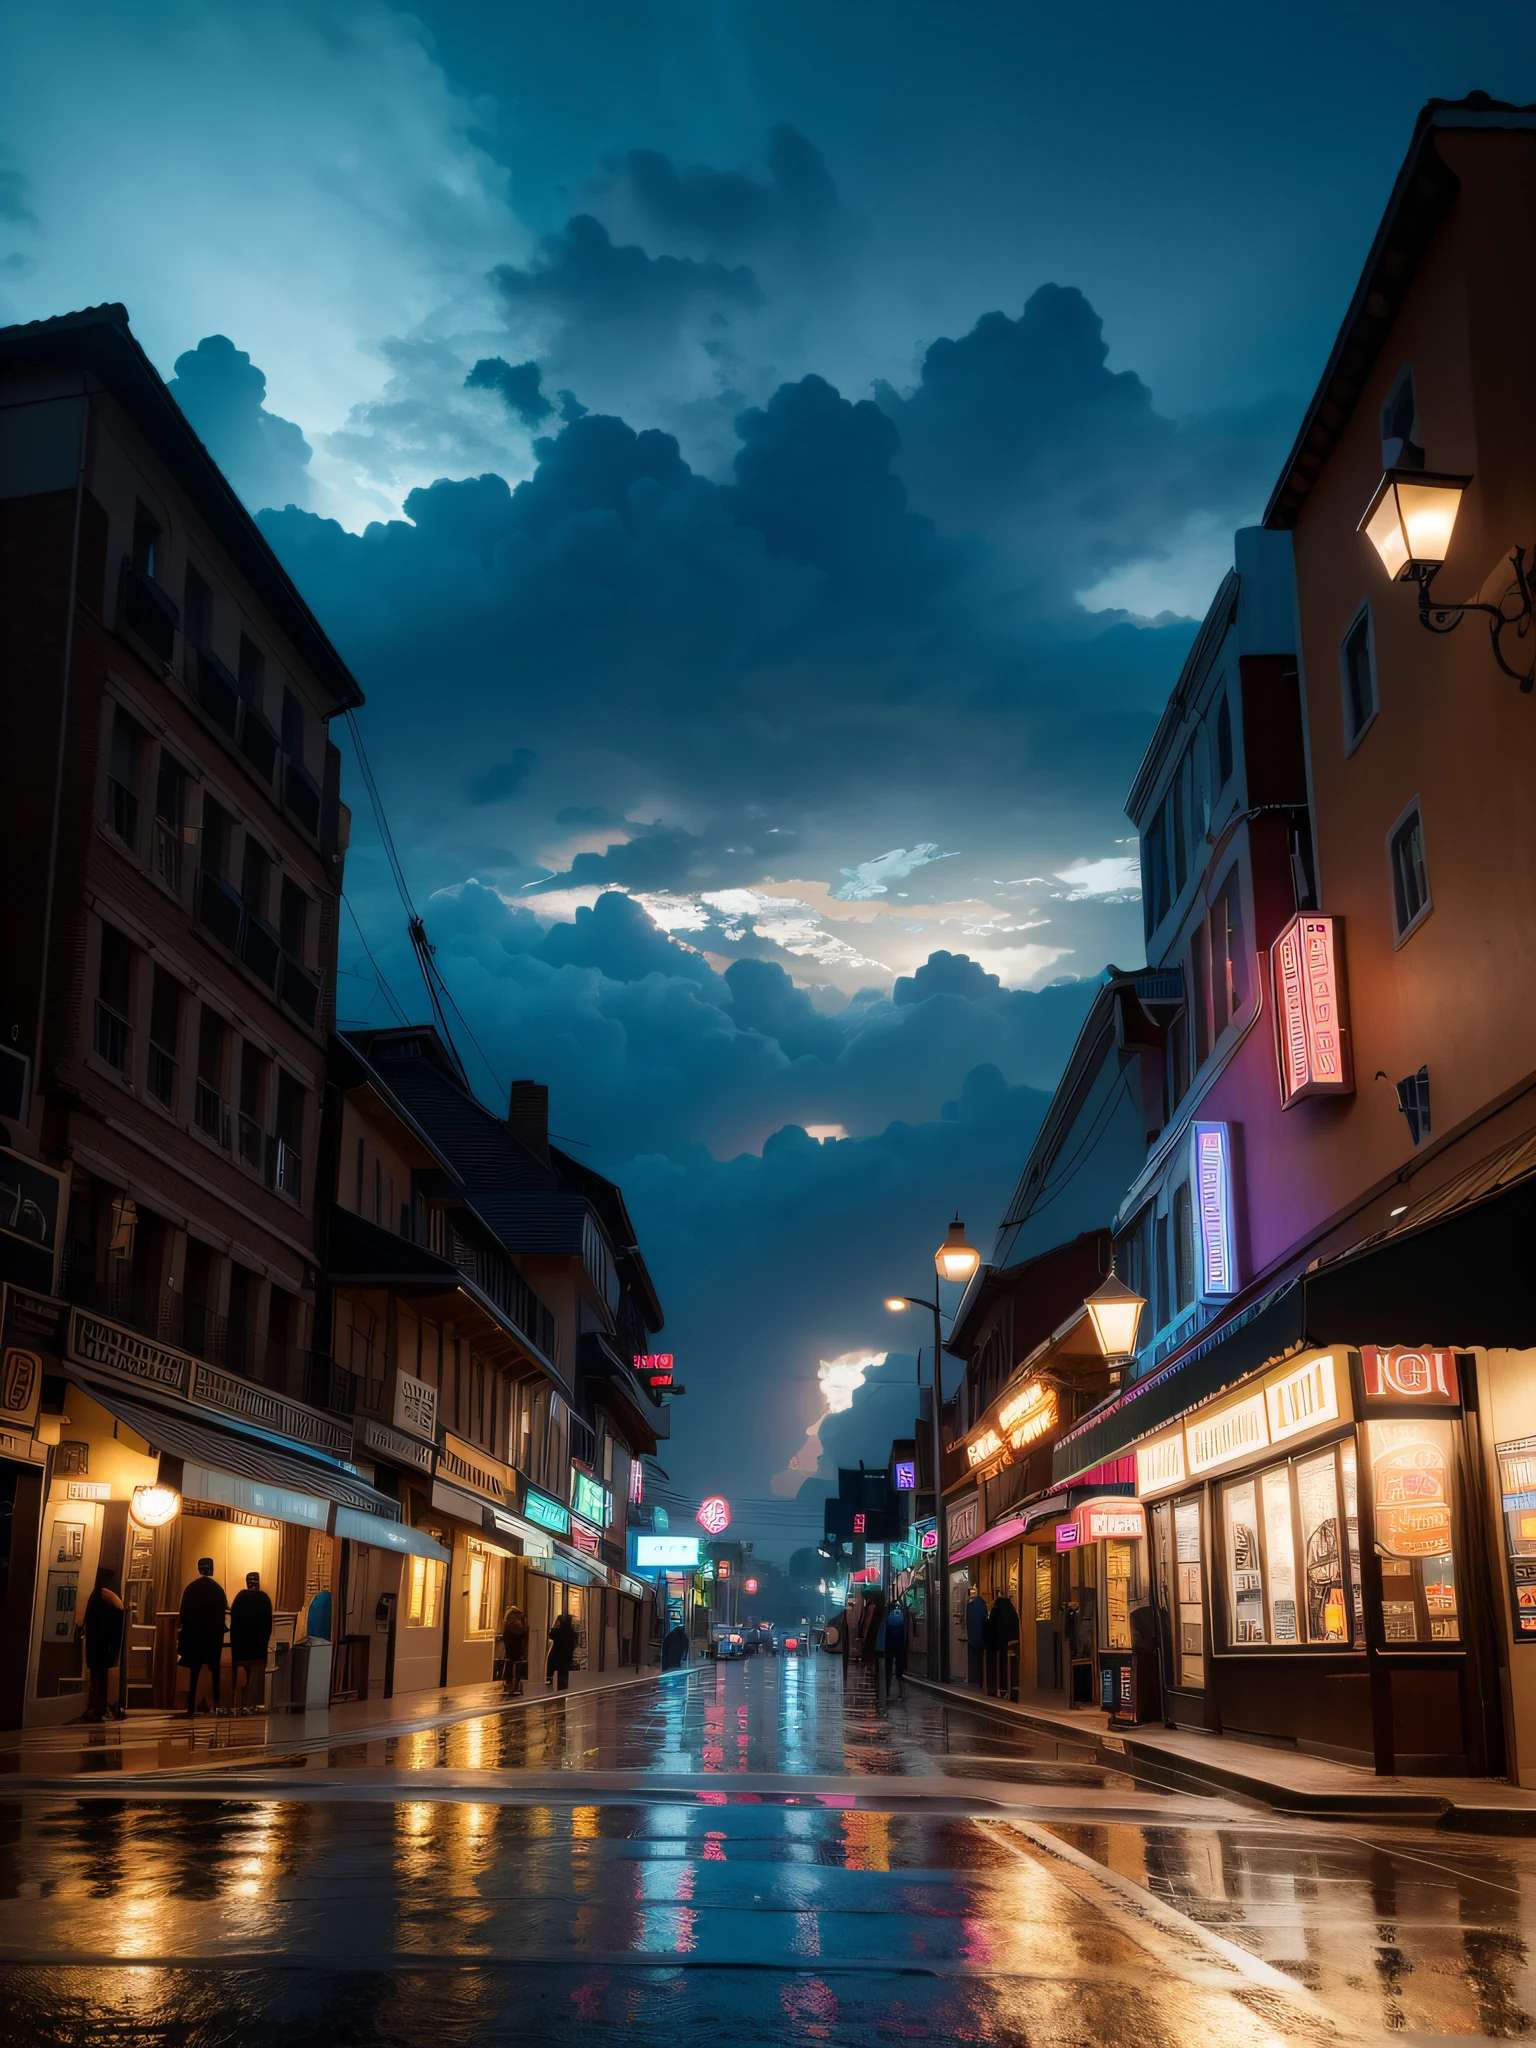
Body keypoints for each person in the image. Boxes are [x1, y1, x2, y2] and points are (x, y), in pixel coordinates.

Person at [178, 1558, 229, 1717]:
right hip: (213, 1638)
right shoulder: (218, 1590)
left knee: (194, 1673)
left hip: (194, 1638)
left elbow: (183, 1615)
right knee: (215, 1671)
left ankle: (190, 1706)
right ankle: (216, 1703)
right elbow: (223, 1614)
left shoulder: (191, 1588)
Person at [77, 1566, 124, 1723]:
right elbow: (119, 1610)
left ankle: (96, 1706)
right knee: (101, 1675)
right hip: (104, 1643)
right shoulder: (106, 1595)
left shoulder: (96, 1594)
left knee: (96, 1675)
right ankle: (99, 1706)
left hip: (96, 1642)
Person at [229, 1571, 273, 1715]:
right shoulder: (264, 1599)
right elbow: (268, 1625)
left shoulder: (240, 1598)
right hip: (258, 1647)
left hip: (240, 1648)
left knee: (241, 1670)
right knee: (258, 1672)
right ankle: (255, 1702)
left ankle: (236, 1703)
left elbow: (233, 1621)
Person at [990, 1589, 1020, 1699]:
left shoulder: (997, 1609)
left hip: (1002, 1642)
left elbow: (993, 1627)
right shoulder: (1011, 1609)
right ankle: (1012, 1685)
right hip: (1014, 1641)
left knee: (1000, 1661)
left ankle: (1001, 1688)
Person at [500, 1602, 529, 1696]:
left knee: (512, 1667)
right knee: (517, 1669)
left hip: (511, 1653)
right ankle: (516, 1685)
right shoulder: (518, 1628)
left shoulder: (508, 1628)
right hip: (517, 1654)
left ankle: (511, 1685)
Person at [546, 1609, 578, 1692]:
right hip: (566, 1658)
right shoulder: (572, 1633)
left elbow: (550, 1635)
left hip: (556, 1657)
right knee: (563, 1676)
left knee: (551, 1675)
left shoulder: (557, 1632)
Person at [883, 1598, 908, 1699]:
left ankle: (888, 1692)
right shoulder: (902, 1617)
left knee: (888, 1670)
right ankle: (901, 1693)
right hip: (900, 1646)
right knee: (899, 1672)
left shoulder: (887, 1618)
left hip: (889, 1646)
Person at [966, 1588, 989, 1690]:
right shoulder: (982, 1606)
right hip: (982, 1637)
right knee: (982, 1660)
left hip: (972, 1637)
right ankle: (981, 1680)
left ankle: (975, 1679)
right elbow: (985, 1621)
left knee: (975, 1659)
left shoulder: (970, 1606)